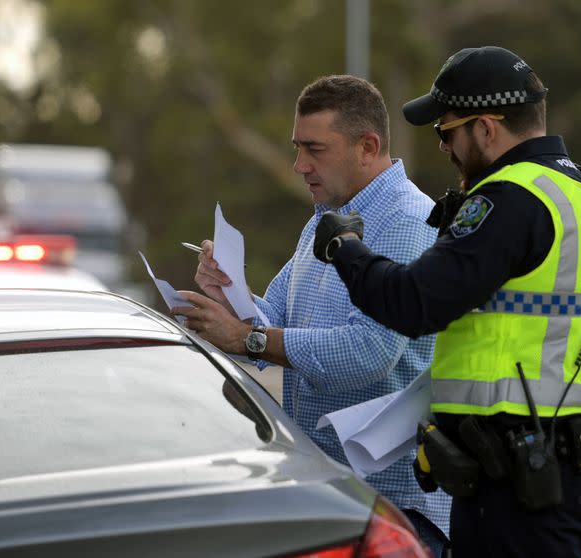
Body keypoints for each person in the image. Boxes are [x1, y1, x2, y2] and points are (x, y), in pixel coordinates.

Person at [312, 47, 581, 558]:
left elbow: (413, 303)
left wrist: (344, 248)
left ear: (486, 128)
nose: (443, 147)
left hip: (516, 485)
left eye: (447, 131)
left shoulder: (510, 196)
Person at [174, 75, 452, 556]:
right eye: (297, 147)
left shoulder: (408, 222)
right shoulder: (323, 220)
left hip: (395, 514)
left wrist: (249, 339)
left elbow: (371, 352)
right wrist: (228, 297)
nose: (299, 165)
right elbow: (274, 316)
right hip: (338, 500)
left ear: (368, 147)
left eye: (314, 149)